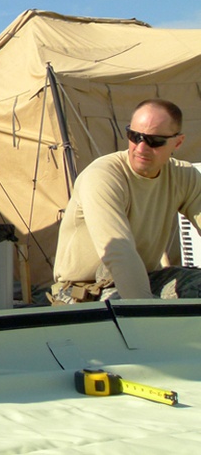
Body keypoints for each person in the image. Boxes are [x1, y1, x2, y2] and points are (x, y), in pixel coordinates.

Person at [51, 98, 201, 304]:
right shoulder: (103, 176)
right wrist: (145, 312)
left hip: (147, 276)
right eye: (134, 136)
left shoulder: (184, 176)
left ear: (178, 142)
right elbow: (118, 252)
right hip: (85, 288)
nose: (141, 148)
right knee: (122, 307)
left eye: (154, 141)